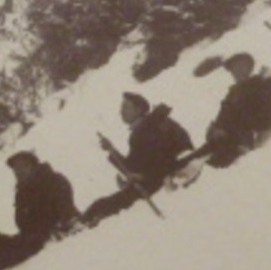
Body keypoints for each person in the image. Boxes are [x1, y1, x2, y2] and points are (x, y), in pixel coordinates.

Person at [80, 92, 194, 225]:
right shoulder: (147, 127)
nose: (121, 112)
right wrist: (112, 150)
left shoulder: (148, 130)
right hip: (157, 179)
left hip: (160, 181)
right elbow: (135, 166)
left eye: (126, 107)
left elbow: (164, 160)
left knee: (99, 207)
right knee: (100, 205)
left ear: (139, 109)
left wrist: (143, 177)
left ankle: (80, 226)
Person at [201, 53, 271, 168]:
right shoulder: (232, 93)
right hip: (225, 139)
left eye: (242, 66)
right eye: (234, 68)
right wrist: (214, 130)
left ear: (249, 68)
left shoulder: (258, 85)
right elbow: (221, 119)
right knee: (196, 159)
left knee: (214, 164)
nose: (236, 72)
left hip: (244, 140)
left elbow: (264, 115)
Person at [6, 150, 78, 258]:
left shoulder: (53, 180)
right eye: (15, 169)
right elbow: (22, 223)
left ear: (33, 166)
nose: (18, 172)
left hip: (60, 237)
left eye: (22, 167)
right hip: (35, 239)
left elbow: (66, 212)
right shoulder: (21, 193)